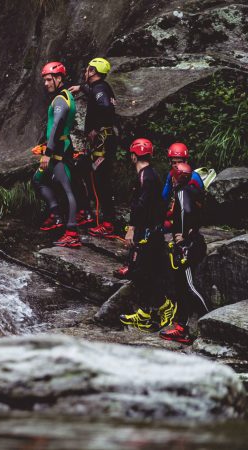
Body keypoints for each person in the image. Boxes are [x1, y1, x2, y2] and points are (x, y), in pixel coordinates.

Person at [118, 138, 176, 330]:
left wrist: (131, 229)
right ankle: (146, 311)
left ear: (133, 156)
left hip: (148, 232)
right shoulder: (151, 174)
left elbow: (141, 206)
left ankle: (162, 306)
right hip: (153, 230)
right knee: (146, 271)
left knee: (143, 272)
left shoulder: (146, 176)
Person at [32, 62, 81, 248]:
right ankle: (56, 215)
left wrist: (48, 152)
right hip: (59, 147)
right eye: (44, 80)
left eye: (48, 79)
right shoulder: (66, 96)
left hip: (58, 151)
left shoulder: (60, 99)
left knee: (67, 188)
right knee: (38, 180)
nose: (45, 83)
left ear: (58, 78)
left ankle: (72, 232)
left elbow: (57, 125)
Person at [159, 163, 209, 344]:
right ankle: (180, 326)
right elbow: (201, 215)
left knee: (189, 286)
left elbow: (184, 213)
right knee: (181, 285)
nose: (171, 180)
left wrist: (182, 235)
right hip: (192, 242)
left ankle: (209, 322)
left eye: (173, 176)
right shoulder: (194, 191)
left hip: (188, 246)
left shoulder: (182, 192)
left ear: (178, 177)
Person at [68, 58, 118, 237]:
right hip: (103, 141)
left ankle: (107, 222)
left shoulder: (100, 89)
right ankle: (99, 218)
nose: (85, 72)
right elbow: (95, 93)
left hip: (102, 143)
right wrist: (81, 88)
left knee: (100, 180)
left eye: (88, 69)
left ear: (93, 71)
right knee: (93, 174)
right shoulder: (101, 87)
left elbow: (104, 106)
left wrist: (96, 129)